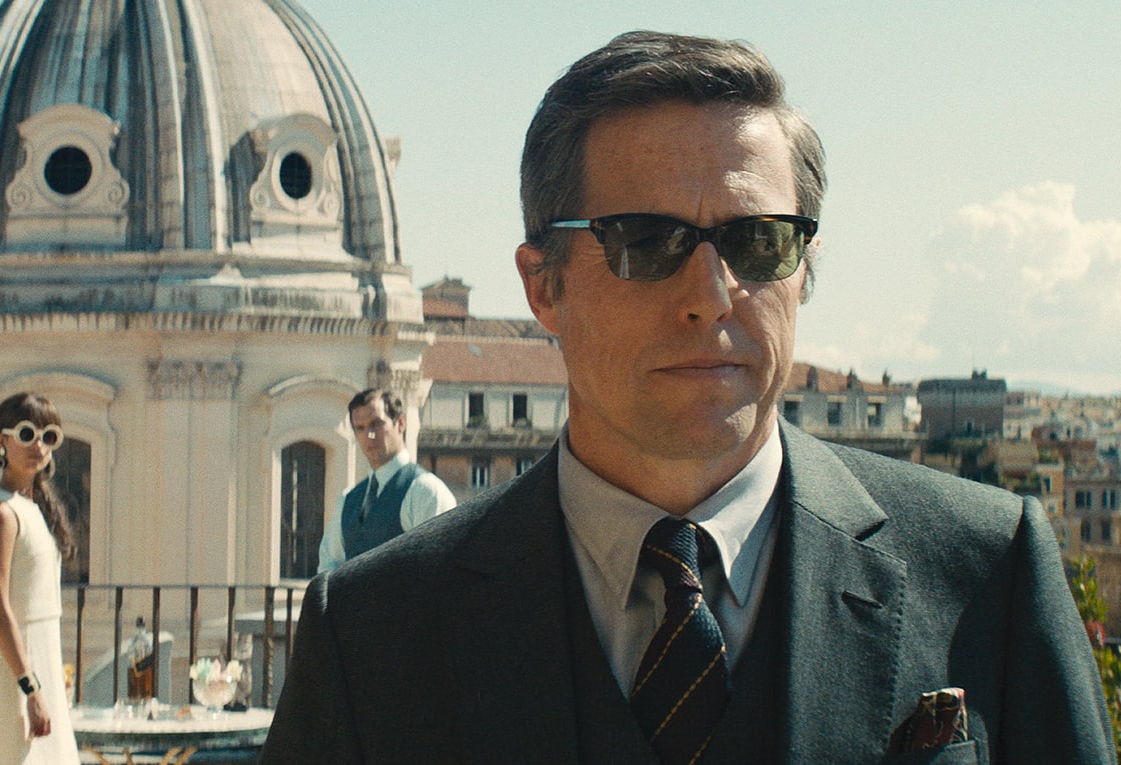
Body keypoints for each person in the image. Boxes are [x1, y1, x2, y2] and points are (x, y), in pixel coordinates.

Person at [260, 32, 1115, 763]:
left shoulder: (989, 573)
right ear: (543, 285)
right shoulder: (370, 632)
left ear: (804, 269)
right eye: (646, 240)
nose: (711, 294)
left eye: (759, 241)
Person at [0, 393, 79, 764]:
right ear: (3, 439)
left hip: (40, 667)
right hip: (11, 677)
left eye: (49, 437)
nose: (38, 446)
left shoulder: (32, 507)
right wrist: (30, 687)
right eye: (27, 434)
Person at [317, 389, 456, 573]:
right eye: (360, 428)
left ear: (400, 423)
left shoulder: (426, 492)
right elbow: (328, 568)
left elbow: (440, 569)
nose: (369, 435)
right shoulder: (348, 500)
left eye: (376, 424)